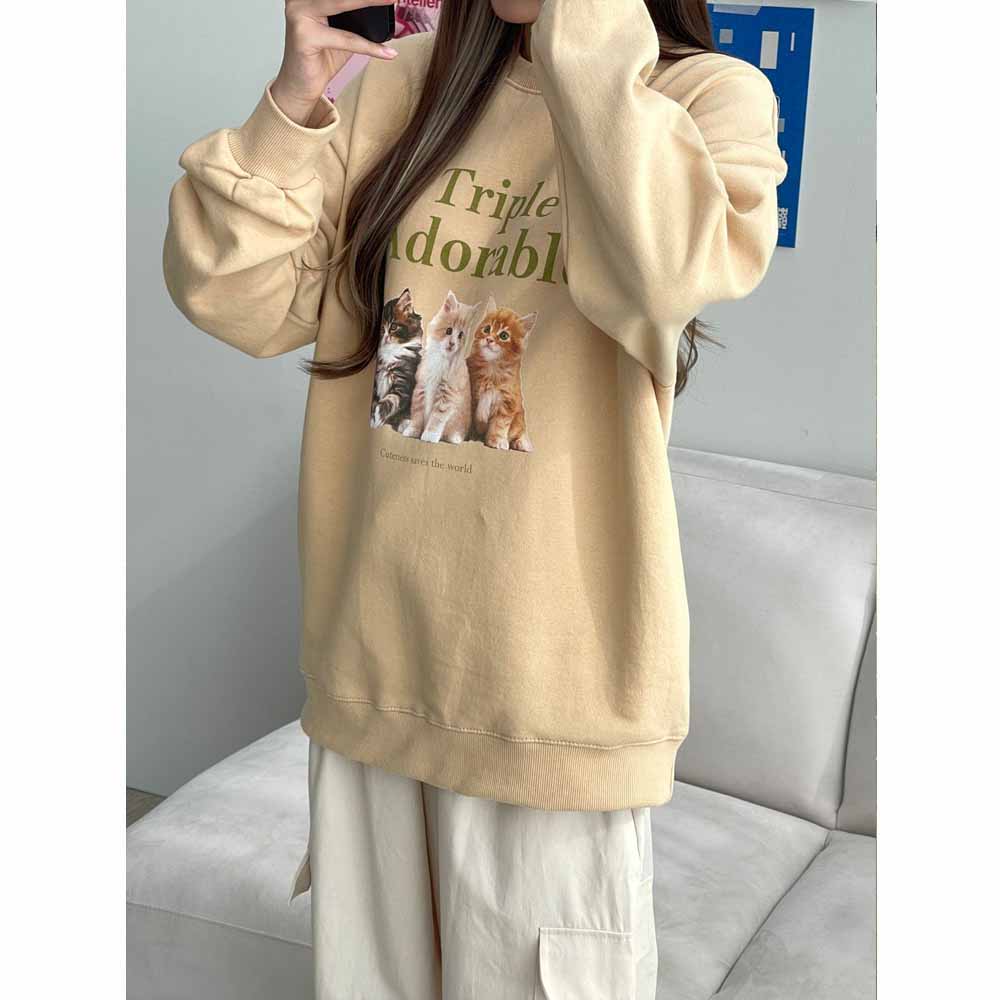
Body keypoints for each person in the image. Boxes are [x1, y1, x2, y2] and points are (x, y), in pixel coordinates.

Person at [163, 0, 788, 996]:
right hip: (372, 671)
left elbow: (670, 270)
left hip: (553, 700)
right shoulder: (402, 87)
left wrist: (583, 33)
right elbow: (238, 299)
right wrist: (293, 104)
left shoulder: (700, 94)